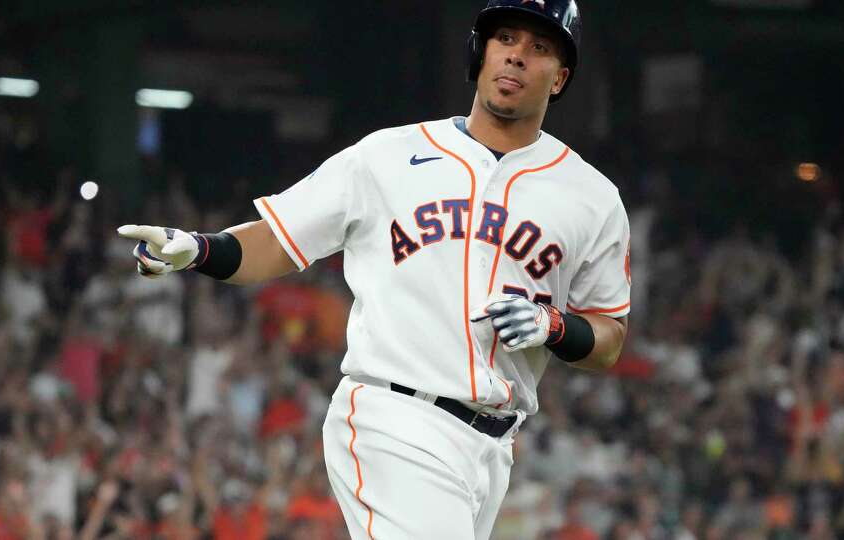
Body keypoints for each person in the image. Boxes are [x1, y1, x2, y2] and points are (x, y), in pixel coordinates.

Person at [118, 1, 631, 537]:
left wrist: (554, 326)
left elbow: (609, 338)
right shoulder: (389, 155)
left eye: (540, 48)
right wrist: (200, 249)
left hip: (494, 445)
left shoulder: (592, 198)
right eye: (506, 39)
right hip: (394, 416)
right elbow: (281, 239)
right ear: (480, 52)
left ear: (561, 78)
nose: (517, 57)